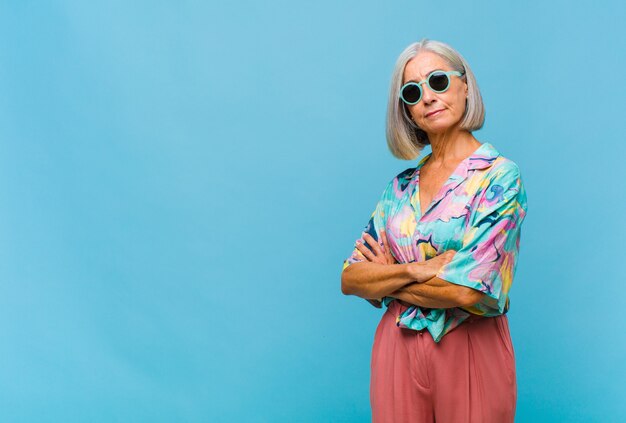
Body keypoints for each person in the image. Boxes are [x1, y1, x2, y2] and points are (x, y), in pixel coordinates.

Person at [340, 38, 528, 423]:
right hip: (396, 350)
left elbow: (467, 289)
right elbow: (351, 277)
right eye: (413, 91)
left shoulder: (499, 177)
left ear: (465, 86)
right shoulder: (400, 187)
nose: (428, 97)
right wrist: (417, 269)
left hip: (471, 348)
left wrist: (387, 278)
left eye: (438, 81)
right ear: (407, 111)